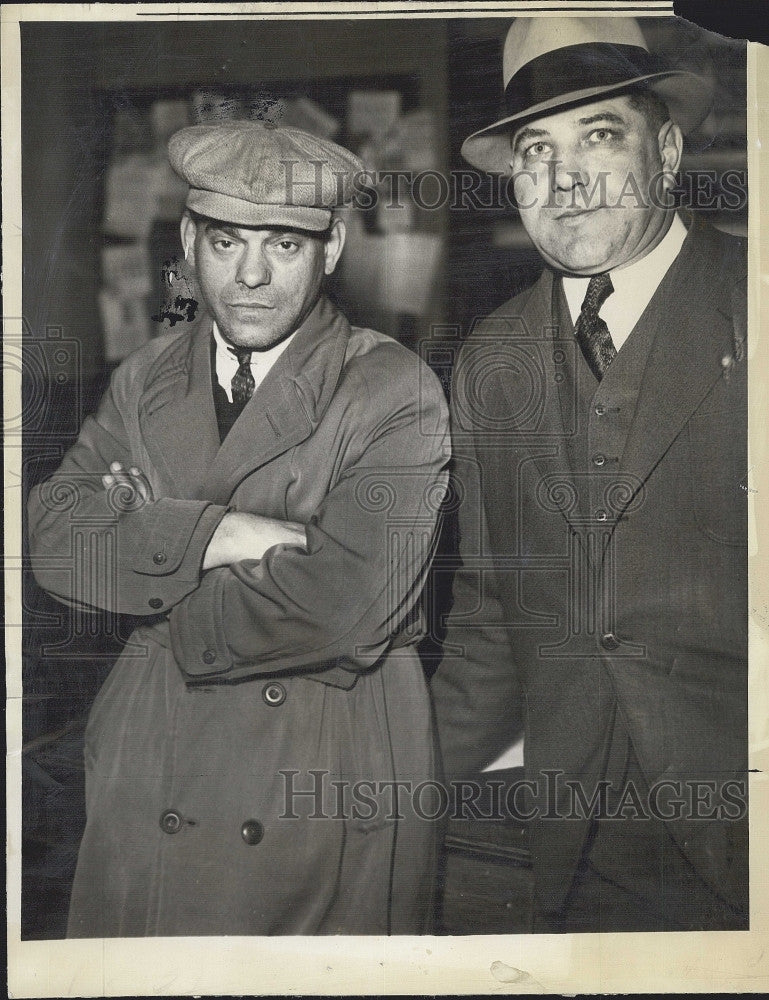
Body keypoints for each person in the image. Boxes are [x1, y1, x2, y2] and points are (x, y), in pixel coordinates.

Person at [28, 119, 450, 937]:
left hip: (316, 778)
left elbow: (343, 605)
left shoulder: (392, 388)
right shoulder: (148, 373)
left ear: (330, 251)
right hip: (150, 768)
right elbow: (50, 537)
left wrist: (143, 547)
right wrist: (219, 535)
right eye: (225, 242)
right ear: (188, 241)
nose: (250, 275)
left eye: (284, 246)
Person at [432, 16, 748, 932]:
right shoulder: (490, 358)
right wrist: (382, 793)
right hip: (573, 849)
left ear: (669, 153)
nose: (563, 178)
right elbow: (492, 615)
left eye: (599, 137)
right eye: (536, 149)